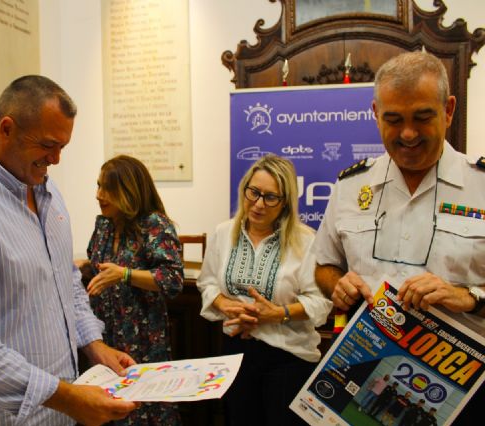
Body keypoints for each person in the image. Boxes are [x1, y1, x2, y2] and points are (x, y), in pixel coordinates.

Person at [0, 76, 138, 426]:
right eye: (49, 145)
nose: (57, 159)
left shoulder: (48, 192)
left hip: (56, 413)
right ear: (6, 128)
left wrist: (94, 345)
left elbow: (67, 283)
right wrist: (67, 397)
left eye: (63, 146)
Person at [313, 51, 485, 423]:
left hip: (458, 391)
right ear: (375, 114)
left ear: (449, 110)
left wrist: (468, 297)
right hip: (362, 374)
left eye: (422, 117)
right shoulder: (350, 185)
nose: (408, 133)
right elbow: (324, 265)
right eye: (393, 120)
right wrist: (337, 285)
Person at [196, 154, 332, 425]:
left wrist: (276, 313)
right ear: (244, 188)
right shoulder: (224, 233)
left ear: (285, 203)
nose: (258, 204)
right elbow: (207, 282)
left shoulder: (305, 241)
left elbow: (320, 303)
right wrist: (227, 306)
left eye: (270, 197)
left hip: (287, 357)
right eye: (254, 192)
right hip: (236, 351)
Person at [78, 154, 183, 425]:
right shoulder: (104, 225)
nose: (99, 195)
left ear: (129, 191)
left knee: (141, 411)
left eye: (107, 189)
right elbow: (102, 266)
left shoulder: (154, 224)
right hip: (104, 335)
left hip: (141, 340)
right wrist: (85, 267)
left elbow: (172, 279)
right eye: (98, 186)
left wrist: (124, 274)